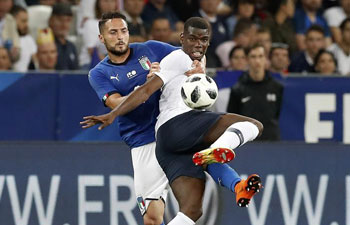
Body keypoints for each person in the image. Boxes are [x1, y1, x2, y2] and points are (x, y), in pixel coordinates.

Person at [81, 16, 263, 224]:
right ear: (101, 38)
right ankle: (236, 182)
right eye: (113, 33)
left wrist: (198, 67)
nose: (120, 37)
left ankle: (237, 185)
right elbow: (116, 103)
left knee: (199, 172)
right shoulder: (99, 73)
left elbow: (189, 54)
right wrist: (145, 85)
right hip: (143, 141)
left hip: (175, 124)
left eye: (123, 31)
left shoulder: (151, 49)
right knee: (152, 218)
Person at [227, 44, 284, 141]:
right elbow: (233, 118)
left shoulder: (277, 87)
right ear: (247, 60)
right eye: (253, 57)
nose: (257, 61)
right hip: (248, 142)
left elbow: (277, 113)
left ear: (266, 59)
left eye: (260, 56)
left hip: (272, 141)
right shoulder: (238, 89)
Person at [49, 2, 79, 70]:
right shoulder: (46, 46)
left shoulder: (71, 47)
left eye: (68, 20)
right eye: (60, 20)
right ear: (51, 20)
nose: (64, 25)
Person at [10, 5, 37, 72]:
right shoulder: (4, 38)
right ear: (12, 21)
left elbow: (36, 63)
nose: (26, 24)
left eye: (27, 21)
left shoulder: (29, 39)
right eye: (23, 21)